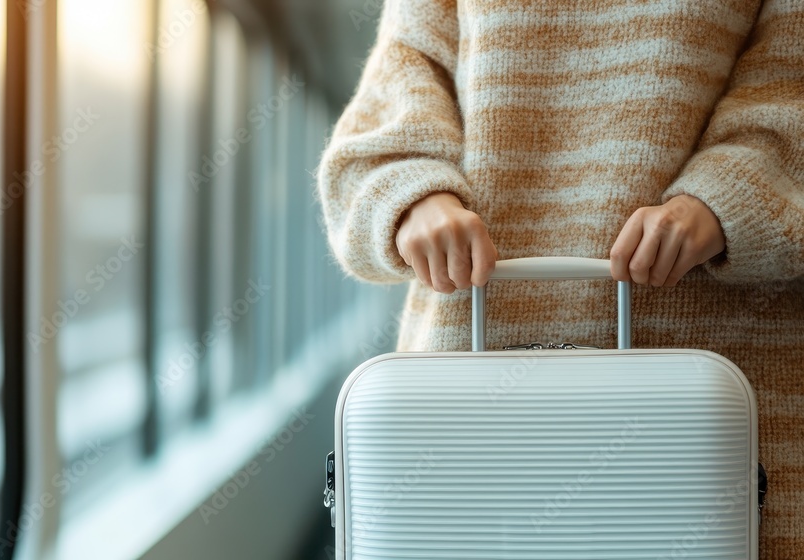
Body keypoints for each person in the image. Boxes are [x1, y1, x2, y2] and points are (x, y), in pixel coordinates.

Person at [317, 0, 803, 557]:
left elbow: (793, 85)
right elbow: (391, 102)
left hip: (713, 392)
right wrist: (412, 197)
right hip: (471, 399)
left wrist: (728, 197)